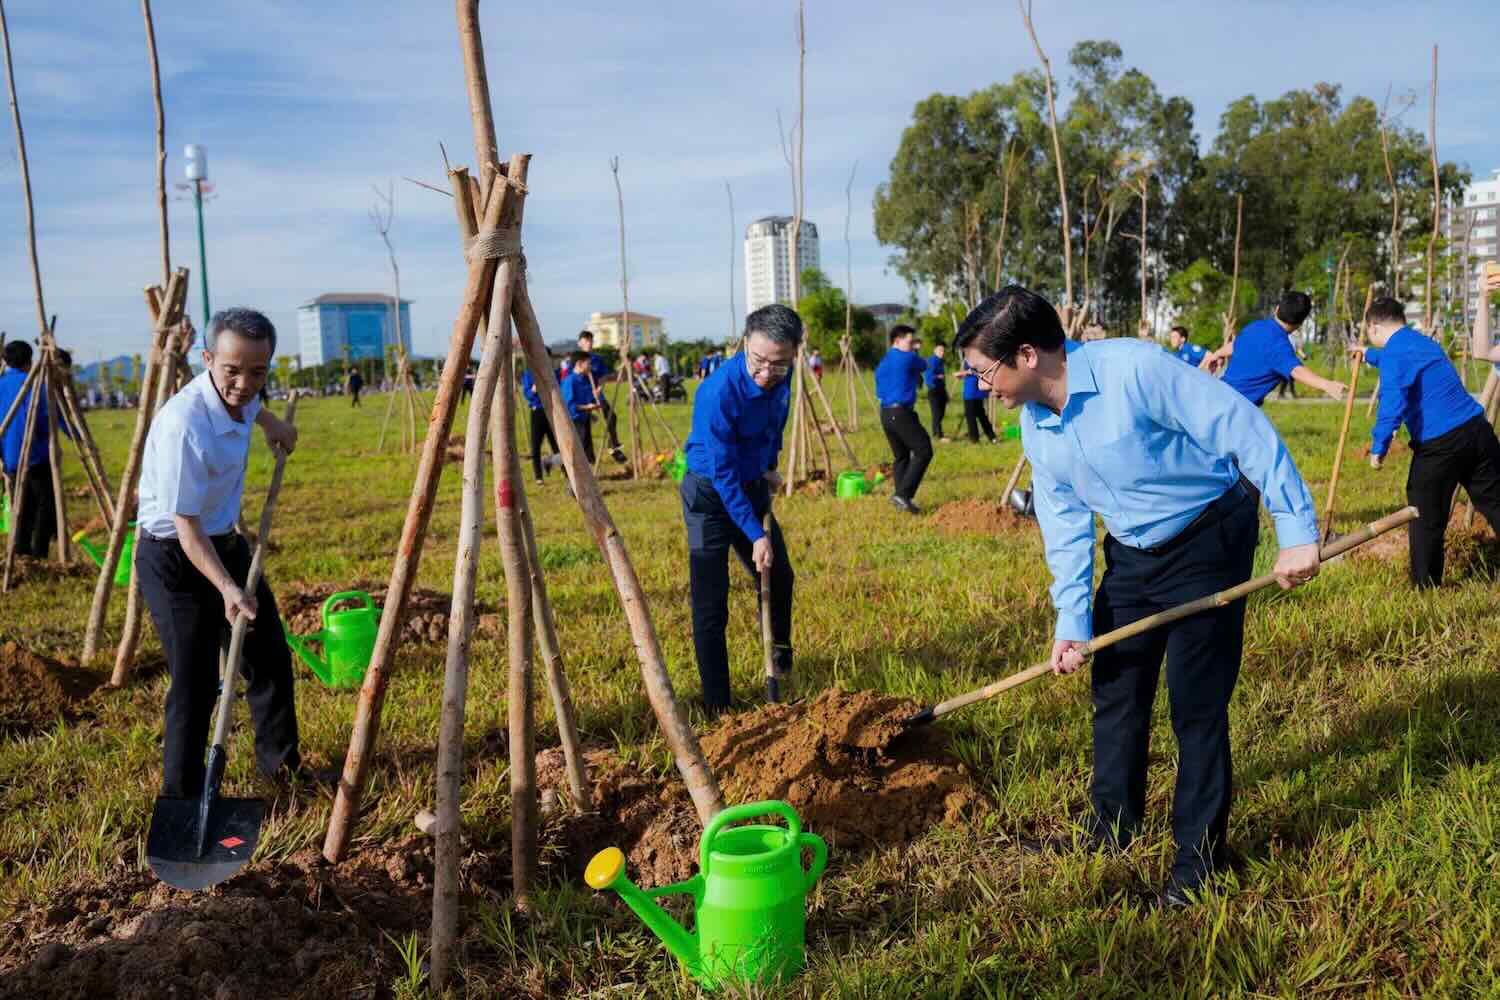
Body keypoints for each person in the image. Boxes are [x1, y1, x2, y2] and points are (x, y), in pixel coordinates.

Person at [955, 285, 1322, 908]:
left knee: (1195, 702)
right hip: (1131, 551)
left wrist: (1296, 530)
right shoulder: (1036, 427)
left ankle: (1200, 860)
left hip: (1208, 533)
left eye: (983, 372)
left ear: (1025, 355)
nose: (980, 386)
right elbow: (1066, 524)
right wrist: (1070, 620)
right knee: (1117, 687)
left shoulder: (1136, 369)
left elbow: (1243, 426)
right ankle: (1111, 827)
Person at [134, 308, 323, 799]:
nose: (244, 382)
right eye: (231, 370)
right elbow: (185, 526)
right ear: (207, 360)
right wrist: (227, 588)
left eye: (257, 372)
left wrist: (271, 422)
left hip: (226, 542)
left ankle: (280, 770)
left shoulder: (247, 393)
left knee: (269, 658)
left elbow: (247, 401)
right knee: (195, 682)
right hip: (174, 556)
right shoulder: (183, 425)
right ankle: (184, 796)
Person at [680, 304, 797, 716]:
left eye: (779, 365)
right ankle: (718, 705)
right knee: (711, 603)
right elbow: (722, 472)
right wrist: (755, 533)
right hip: (709, 496)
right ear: (745, 344)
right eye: (759, 361)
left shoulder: (785, 376)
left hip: (751, 485)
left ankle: (779, 652)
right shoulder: (716, 393)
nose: (766, 374)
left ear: (794, 355)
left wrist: (767, 466)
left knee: (779, 576)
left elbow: (774, 422)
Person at [1362, 294, 1500, 587]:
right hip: (1477, 431)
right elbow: (1392, 357)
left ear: (1373, 327)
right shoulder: (1422, 342)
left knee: (1425, 515)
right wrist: (1366, 354)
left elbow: (1391, 403)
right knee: (1496, 502)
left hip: (1441, 446)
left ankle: (1426, 587)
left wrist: (1379, 448)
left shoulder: (1395, 354)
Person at [1211, 291, 1345, 405]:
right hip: (1236, 409)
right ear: (1300, 324)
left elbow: (1236, 344)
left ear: (1277, 308)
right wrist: (1326, 384)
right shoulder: (1280, 346)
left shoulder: (1255, 326)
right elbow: (1297, 371)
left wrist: (1218, 354)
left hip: (1218, 394)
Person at [0, 340, 65, 557]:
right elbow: (46, 418)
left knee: (21, 507)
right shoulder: (33, 385)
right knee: (45, 506)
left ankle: (20, 552)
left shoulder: (1, 384)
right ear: (29, 361)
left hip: (9, 458)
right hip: (35, 456)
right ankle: (38, 553)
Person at [875, 324, 933, 513]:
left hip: (885, 413)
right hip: (901, 413)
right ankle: (903, 495)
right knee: (924, 450)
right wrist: (916, 351)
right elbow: (925, 365)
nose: (913, 344)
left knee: (901, 457)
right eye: (910, 341)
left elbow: (880, 390)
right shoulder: (908, 357)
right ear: (897, 341)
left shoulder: (882, 363)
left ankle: (901, 500)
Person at [576, 331, 626, 462]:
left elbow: (603, 377)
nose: (589, 343)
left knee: (611, 417)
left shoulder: (597, 359)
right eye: (586, 340)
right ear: (579, 343)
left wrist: (600, 388)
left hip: (597, 394)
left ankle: (613, 446)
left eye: (591, 340)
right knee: (584, 430)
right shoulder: (576, 359)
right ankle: (589, 460)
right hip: (582, 396)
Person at [521, 361, 561, 485]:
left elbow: (559, 389)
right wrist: (533, 390)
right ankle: (538, 476)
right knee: (536, 446)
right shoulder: (529, 374)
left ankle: (561, 469)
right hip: (537, 412)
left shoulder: (553, 373)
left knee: (558, 445)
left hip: (552, 411)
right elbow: (527, 394)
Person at [562, 351, 599, 463]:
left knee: (586, 445)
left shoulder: (584, 379)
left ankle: (588, 471)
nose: (590, 366)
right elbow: (570, 406)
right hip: (574, 420)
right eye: (588, 363)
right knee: (576, 450)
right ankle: (550, 461)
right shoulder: (570, 381)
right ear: (579, 363)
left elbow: (586, 400)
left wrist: (590, 411)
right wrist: (587, 407)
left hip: (584, 418)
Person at [956, 356, 998, 444]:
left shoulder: (972, 357)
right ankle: (991, 437)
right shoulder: (974, 356)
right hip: (974, 391)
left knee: (972, 416)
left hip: (971, 392)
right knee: (981, 416)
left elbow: (973, 371)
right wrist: (963, 375)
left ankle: (975, 439)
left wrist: (963, 373)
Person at [925, 342, 950, 441]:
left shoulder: (941, 362)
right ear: (935, 351)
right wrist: (937, 377)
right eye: (940, 350)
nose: (942, 352)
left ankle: (936, 432)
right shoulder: (932, 361)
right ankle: (939, 435)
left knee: (941, 413)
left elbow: (943, 379)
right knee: (937, 413)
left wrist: (945, 392)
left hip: (941, 390)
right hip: (934, 390)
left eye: (943, 350)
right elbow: (928, 377)